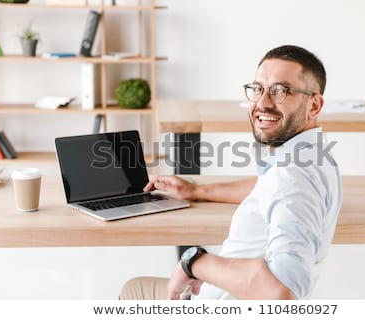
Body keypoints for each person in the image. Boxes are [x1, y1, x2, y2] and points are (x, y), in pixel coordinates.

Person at [120, 45, 342, 300]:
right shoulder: (313, 155)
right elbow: (269, 187)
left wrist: (195, 262)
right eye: (258, 89)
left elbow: (283, 295)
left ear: (314, 105)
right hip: (225, 293)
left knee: (133, 291)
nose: (262, 102)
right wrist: (196, 190)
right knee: (136, 286)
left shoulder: (292, 178)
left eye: (281, 91)